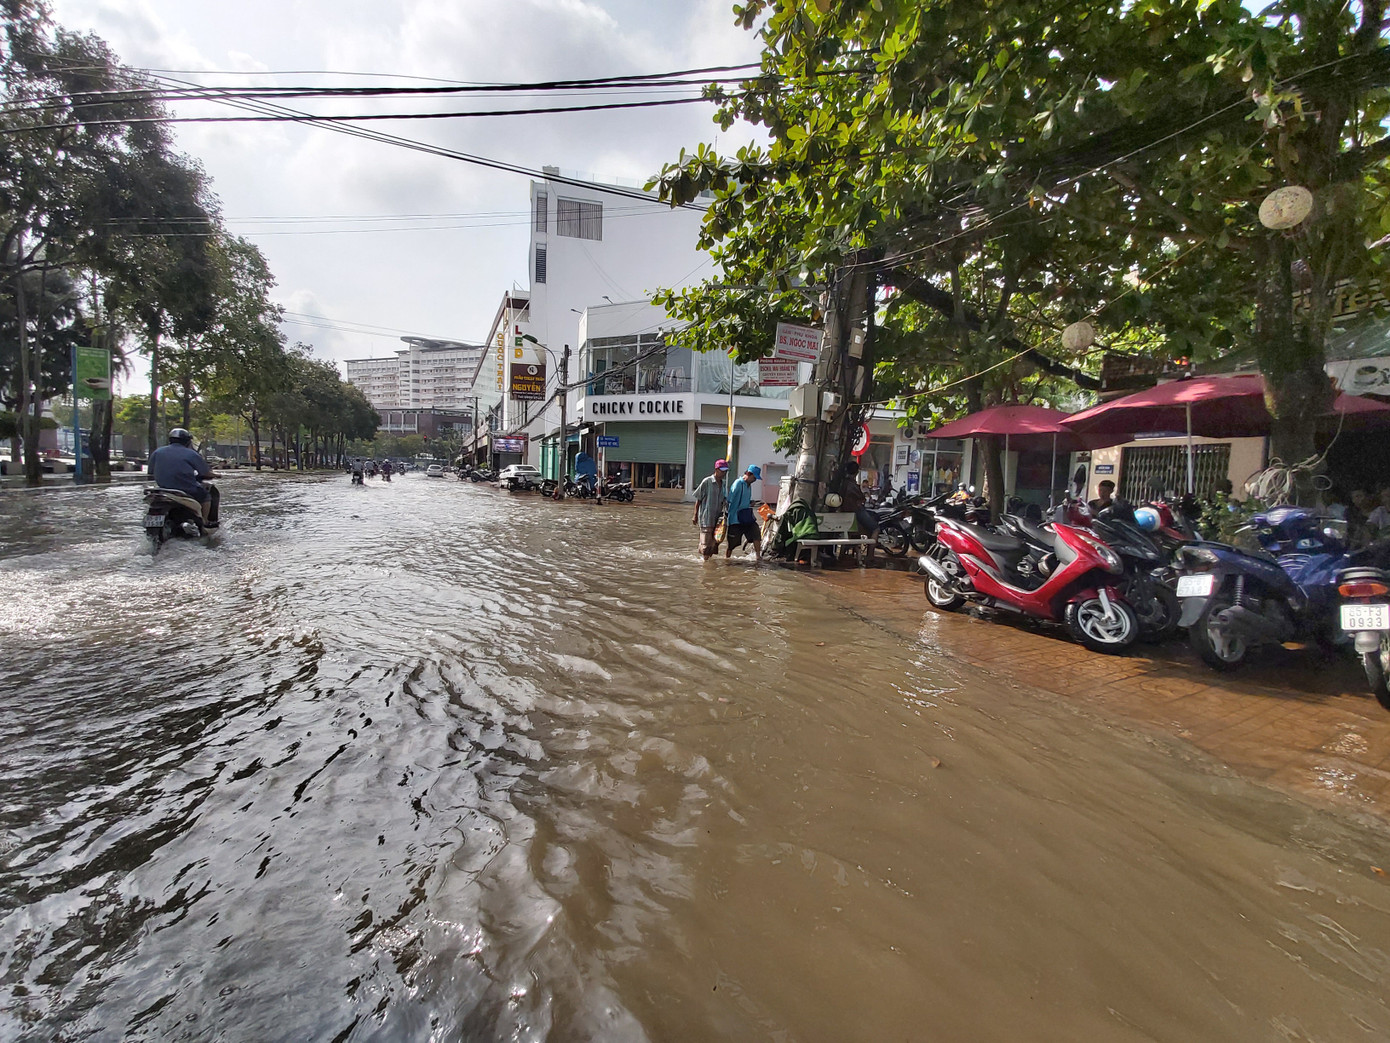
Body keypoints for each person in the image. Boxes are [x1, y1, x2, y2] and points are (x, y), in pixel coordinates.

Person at [148, 428, 219, 527]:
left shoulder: (157, 452)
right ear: (187, 441)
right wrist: (217, 475)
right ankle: (205, 522)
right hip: (186, 489)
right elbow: (205, 472)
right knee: (206, 496)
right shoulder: (191, 454)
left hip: (163, 490)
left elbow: (150, 471)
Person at [725, 465, 763, 563]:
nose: (755, 480)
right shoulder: (738, 484)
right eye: (754, 478)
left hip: (746, 517)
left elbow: (745, 500)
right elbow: (729, 500)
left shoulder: (748, 486)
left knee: (756, 533)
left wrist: (751, 502)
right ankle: (727, 560)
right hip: (735, 519)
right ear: (748, 474)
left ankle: (758, 557)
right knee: (732, 544)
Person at [692, 459, 729, 560]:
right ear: (716, 469)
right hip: (706, 518)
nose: (724, 473)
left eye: (725, 471)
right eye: (722, 470)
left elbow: (725, 499)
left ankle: (708, 561)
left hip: (718, 519)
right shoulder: (707, 482)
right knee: (705, 544)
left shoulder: (724, 484)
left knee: (714, 544)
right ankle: (704, 562)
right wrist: (695, 515)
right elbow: (698, 499)